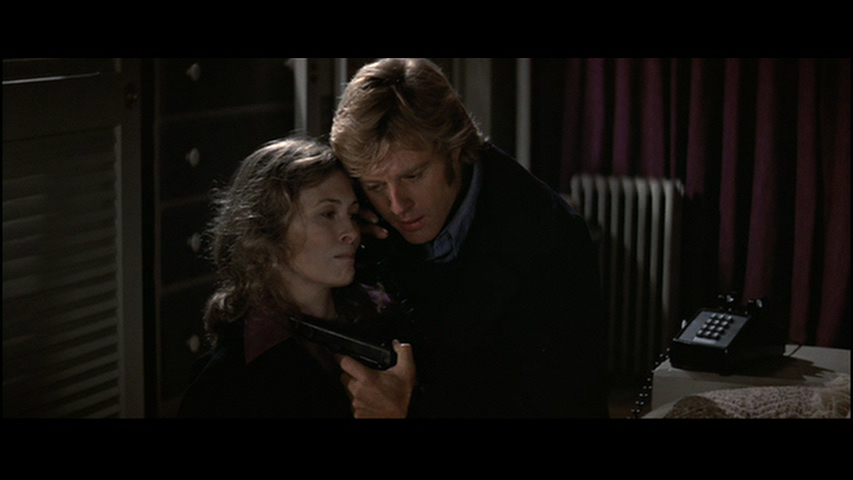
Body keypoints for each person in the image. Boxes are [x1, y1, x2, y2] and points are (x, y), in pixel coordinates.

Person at [331, 58, 609, 418]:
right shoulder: (366, 218)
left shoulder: (552, 239)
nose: (397, 205)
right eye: (376, 186)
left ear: (456, 149)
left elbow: (559, 406)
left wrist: (410, 410)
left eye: (413, 176)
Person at [177, 136, 414, 418]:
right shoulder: (228, 381)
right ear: (270, 231)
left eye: (352, 214)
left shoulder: (383, 324)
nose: (351, 232)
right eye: (327, 214)